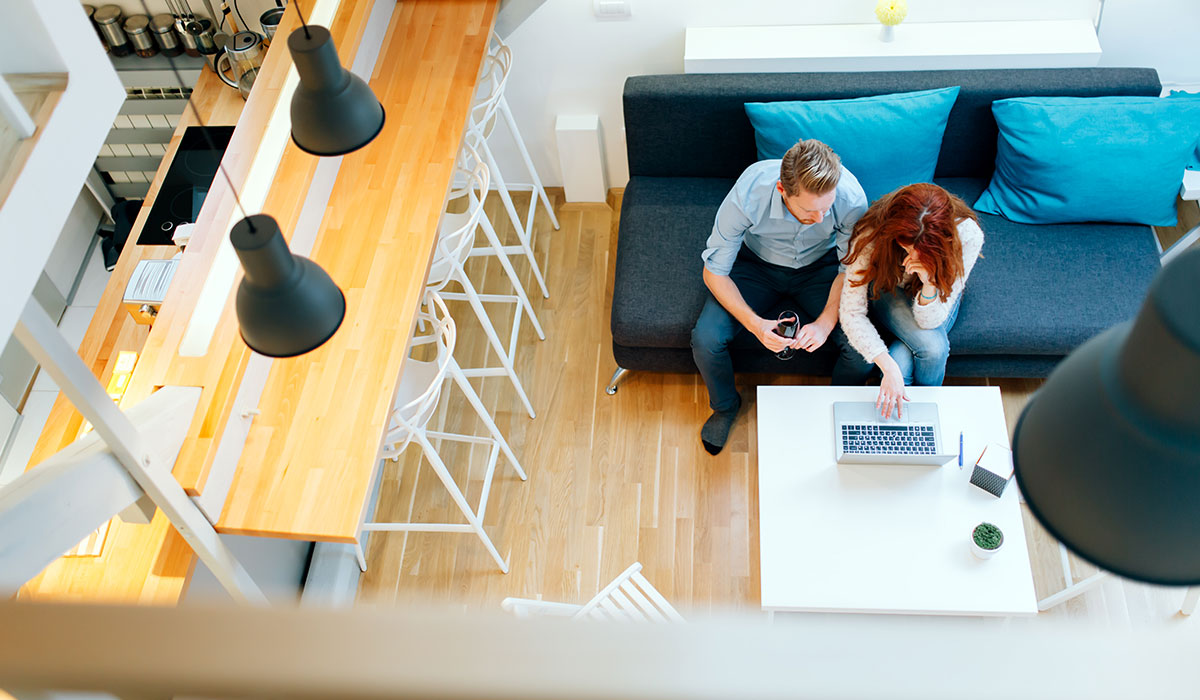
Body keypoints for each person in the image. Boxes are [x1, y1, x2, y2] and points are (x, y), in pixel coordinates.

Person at [692, 139, 875, 455]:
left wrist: (824, 324)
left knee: (860, 347)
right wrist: (755, 325)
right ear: (782, 190)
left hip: (821, 269)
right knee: (706, 338)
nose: (821, 219)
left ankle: (835, 407)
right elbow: (714, 272)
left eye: (827, 208)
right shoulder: (750, 192)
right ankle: (725, 407)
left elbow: (850, 270)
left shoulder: (851, 197)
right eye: (809, 209)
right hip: (756, 265)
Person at [839, 183, 985, 419]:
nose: (914, 257)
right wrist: (887, 367)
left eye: (926, 249)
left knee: (906, 360)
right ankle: (916, 418)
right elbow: (851, 312)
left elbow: (931, 320)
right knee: (932, 348)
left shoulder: (967, 235)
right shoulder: (871, 236)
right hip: (889, 289)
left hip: (938, 295)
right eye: (907, 246)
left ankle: (916, 419)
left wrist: (929, 283)